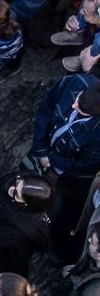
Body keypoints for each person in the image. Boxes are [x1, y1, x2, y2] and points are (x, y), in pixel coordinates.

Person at [32, 76, 100, 261]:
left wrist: (51, 160)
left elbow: (83, 167)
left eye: (82, 111)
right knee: (29, 181)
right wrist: (40, 148)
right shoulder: (74, 81)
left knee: (57, 209)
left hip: (65, 178)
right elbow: (46, 109)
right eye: (79, 99)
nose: (74, 106)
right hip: (43, 151)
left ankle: (48, 239)